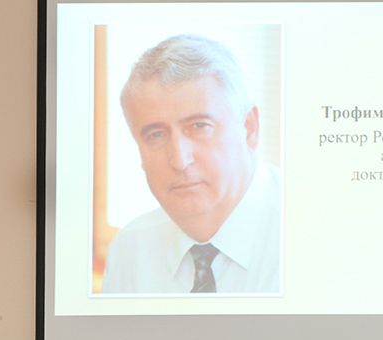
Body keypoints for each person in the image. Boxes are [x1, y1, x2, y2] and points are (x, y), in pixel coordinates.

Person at [101, 34, 281, 295]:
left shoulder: (315, 234)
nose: (180, 160)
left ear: (249, 129)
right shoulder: (130, 250)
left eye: (199, 126)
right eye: (156, 134)